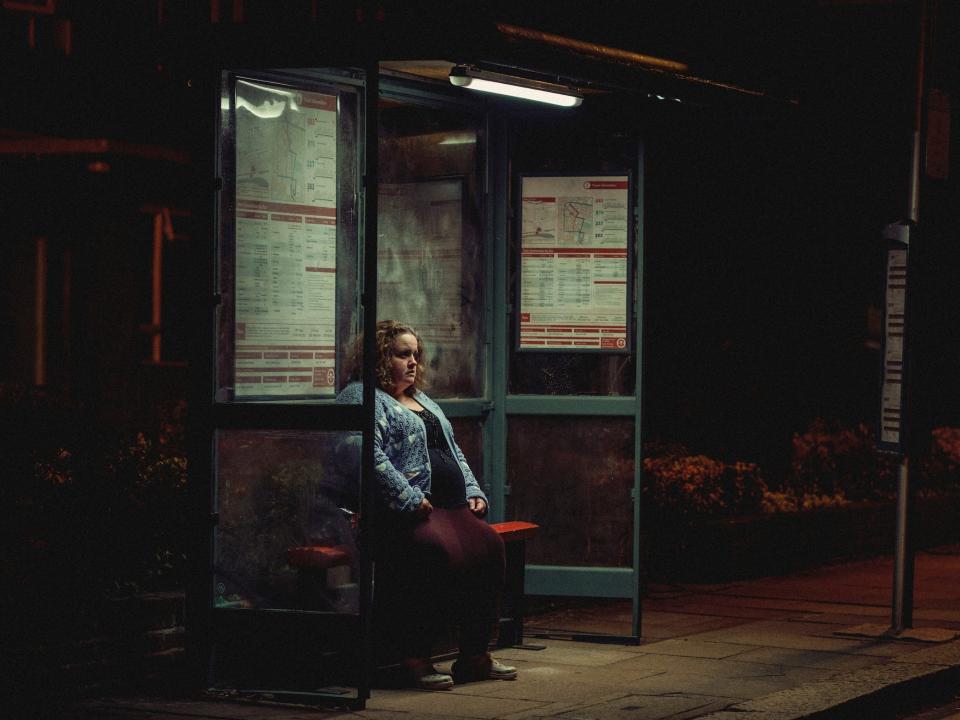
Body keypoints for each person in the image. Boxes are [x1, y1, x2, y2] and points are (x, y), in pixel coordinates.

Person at [337, 320, 517, 690]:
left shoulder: (424, 401)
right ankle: (413, 659)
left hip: (451, 509)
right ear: (381, 358)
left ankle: (474, 657)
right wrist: (406, 497)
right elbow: (364, 455)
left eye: (416, 354)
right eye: (403, 354)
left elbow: (453, 452)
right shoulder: (361, 396)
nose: (413, 362)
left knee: (490, 547)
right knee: (434, 555)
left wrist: (473, 489)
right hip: (405, 513)